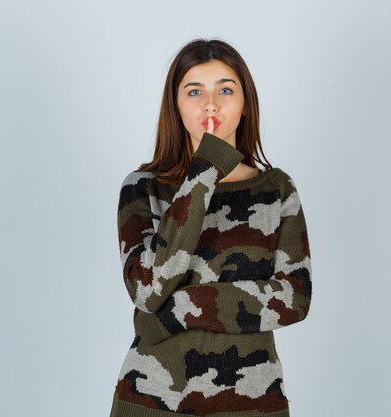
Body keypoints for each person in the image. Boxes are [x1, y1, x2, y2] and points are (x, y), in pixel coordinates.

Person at [109, 38, 312, 417]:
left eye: (225, 89)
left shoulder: (277, 190)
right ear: (176, 105)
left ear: (246, 103)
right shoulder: (143, 187)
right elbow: (147, 290)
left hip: (252, 403)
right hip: (152, 400)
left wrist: (184, 307)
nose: (211, 104)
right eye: (194, 91)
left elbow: (294, 298)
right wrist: (204, 171)